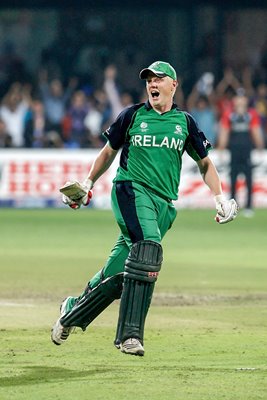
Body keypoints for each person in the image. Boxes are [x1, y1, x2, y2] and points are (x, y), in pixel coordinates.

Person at [51, 61, 238, 357]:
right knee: (148, 250)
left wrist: (219, 199)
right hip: (131, 190)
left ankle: (71, 311)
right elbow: (108, 153)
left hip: (164, 205)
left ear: (173, 85)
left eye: (159, 79)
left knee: (119, 275)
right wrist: (87, 183)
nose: (152, 83)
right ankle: (129, 335)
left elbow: (205, 163)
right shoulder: (132, 116)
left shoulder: (185, 123)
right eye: (149, 79)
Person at [217, 90, 264, 217]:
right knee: (233, 179)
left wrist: (260, 146)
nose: (240, 101)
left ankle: (249, 206)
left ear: (246, 100)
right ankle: (233, 207)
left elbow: (255, 131)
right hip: (234, 151)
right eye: (238, 98)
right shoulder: (229, 114)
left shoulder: (251, 114)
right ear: (234, 100)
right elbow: (224, 132)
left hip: (247, 151)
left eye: (242, 98)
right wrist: (221, 148)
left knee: (249, 179)